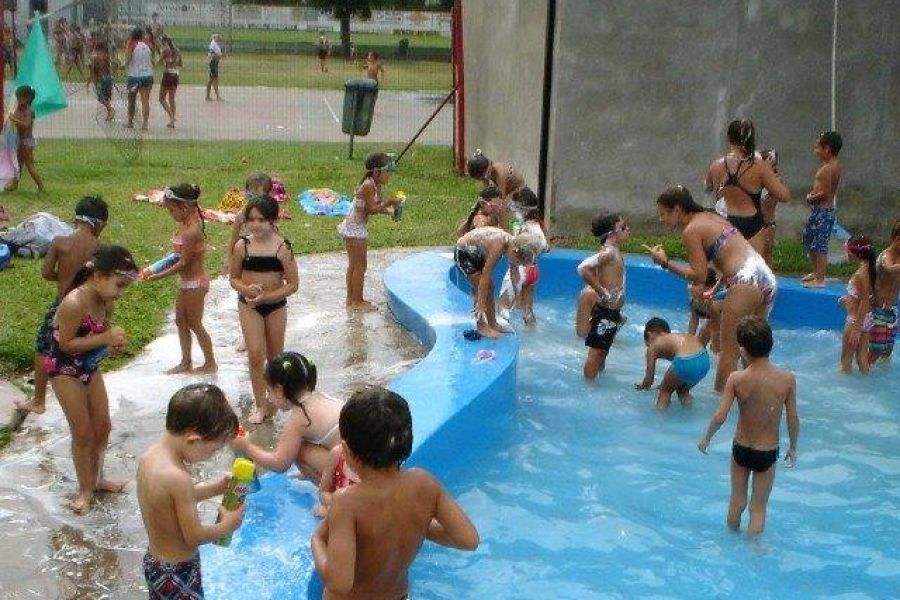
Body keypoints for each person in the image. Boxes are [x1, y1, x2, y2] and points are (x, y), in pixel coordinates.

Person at [311, 387, 479, 598]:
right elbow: (468, 540)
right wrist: (417, 522)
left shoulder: (347, 502)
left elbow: (340, 583)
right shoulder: (425, 483)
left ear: (346, 450)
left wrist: (316, 541)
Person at [646, 186, 778, 392]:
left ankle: (719, 404)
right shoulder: (710, 216)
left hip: (745, 279)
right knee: (753, 353)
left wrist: (664, 263)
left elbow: (699, 275)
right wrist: (717, 288)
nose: (662, 219)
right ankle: (761, 397)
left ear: (678, 210)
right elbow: (725, 256)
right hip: (765, 277)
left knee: (729, 353)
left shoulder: (691, 230)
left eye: (663, 214)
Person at [45, 245, 136, 513]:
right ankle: (84, 489)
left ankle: (97, 479)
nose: (120, 294)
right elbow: (67, 345)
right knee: (82, 432)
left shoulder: (105, 301)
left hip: (88, 367)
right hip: (64, 370)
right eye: (119, 285)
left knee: (103, 425)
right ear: (98, 276)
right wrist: (104, 339)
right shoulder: (74, 303)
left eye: (124, 288)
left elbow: (100, 334)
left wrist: (111, 344)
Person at [137, 383, 245, 600]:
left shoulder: (150, 458)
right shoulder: (178, 477)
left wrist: (213, 488)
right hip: (178, 572)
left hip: (155, 563)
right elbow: (194, 536)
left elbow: (171, 501)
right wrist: (228, 525)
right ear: (193, 439)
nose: (213, 455)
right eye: (214, 449)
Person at [697, 316, 799, 536]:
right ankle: (754, 549)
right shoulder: (787, 379)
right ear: (771, 344)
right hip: (767, 451)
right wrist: (793, 446)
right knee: (758, 507)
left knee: (737, 501)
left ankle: (730, 537)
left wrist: (706, 438)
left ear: (742, 350)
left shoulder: (736, 378)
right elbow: (793, 419)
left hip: (742, 448)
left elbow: (720, 415)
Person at [18, 196, 109, 416]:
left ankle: (39, 400)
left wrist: (64, 278)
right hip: (90, 309)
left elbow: (46, 272)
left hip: (62, 307)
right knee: (86, 353)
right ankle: (86, 396)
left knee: (44, 349)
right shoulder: (100, 248)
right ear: (98, 224)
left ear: (76, 219)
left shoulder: (60, 242)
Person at [230, 195, 299, 424]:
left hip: (275, 306)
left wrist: (267, 296)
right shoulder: (243, 246)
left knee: (275, 358)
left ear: (272, 220)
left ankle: (275, 397)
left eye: (261, 219)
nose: (255, 224)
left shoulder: (282, 247)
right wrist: (247, 289)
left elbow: (292, 284)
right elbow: (233, 279)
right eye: (251, 220)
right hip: (249, 305)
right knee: (255, 354)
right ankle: (260, 403)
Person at [230, 351, 343, 480]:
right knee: (299, 443)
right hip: (366, 463)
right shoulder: (322, 398)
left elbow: (280, 463)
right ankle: (319, 474)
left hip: (354, 473)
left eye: (269, 391)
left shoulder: (300, 417)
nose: (269, 398)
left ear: (279, 389)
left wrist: (247, 447)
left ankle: (331, 492)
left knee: (296, 451)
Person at [144, 184, 217, 375]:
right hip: (186, 283)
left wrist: (159, 275)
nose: (170, 213)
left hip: (195, 283)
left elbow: (183, 262)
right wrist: (158, 266)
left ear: (184, 208)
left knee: (195, 323)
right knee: (180, 321)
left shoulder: (191, 231)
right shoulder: (184, 227)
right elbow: (176, 256)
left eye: (171, 210)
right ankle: (186, 361)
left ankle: (210, 362)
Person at [704, 119, 790, 256]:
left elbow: (707, 189)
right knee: (752, 271)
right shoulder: (760, 166)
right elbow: (784, 196)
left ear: (728, 137)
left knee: (727, 271)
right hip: (753, 224)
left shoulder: (717, 165)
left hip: (727, 220)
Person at [337, 152, 402, 311]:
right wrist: (390, 202)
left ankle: (351, 299)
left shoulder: (374, 185)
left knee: (354, 265)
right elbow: (372, 209)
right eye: (388, 172)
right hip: (355, 229)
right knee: (360, 266)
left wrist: (391, 211)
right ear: (376, 172)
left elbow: (374, 206)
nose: (390, 175)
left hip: (353, 227)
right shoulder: (368, 185)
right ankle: (357, 301)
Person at [455, 226, 542, 339]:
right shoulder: (499, 245)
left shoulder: (515, 246)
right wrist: (481, 305)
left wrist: (517, 296)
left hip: (479, 251)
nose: (518, 264)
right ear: (515, 253)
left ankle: (493, 324)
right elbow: (485, 277)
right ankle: (481, 326)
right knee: (482, 288)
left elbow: (515, 276)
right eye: (518, 262)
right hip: (464, 252)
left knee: (489, 288)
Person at [575, 212, 629, 379]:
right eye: (623, 227)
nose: (628, 229)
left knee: (603, 352)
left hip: (612, 313)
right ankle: (588, 387)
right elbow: (583, 268)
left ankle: (597, 380)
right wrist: (601, 291)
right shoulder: (609, 253)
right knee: (596, 354)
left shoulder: (615, 251)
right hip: (605, 311)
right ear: (612, 233)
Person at [635, 317, 710, 410]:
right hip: (704, 360)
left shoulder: (653, 346)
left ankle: (659, 419)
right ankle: (689, 414)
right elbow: (679, 369)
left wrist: (642, 387)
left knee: (665, 392)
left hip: (686, 362)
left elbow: (649, 380)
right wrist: (666, 383)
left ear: (649, 335)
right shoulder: (678, 337)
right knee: (683, 391)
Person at [499, 188, 548, 325]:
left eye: (515, 207)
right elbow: (545, 247)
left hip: (520, 270)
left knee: (503, 307)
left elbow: (514, 249)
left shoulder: (526, 229)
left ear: (523, 209)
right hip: (534, 271)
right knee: (527, 310)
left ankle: (503, 339)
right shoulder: (538, 225)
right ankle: (532, 332)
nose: (513, 211)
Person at [801, 131, 843, 288]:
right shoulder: (833, 166)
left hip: (823, 212)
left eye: (818, 147)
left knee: (819, 245)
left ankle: (820, 279)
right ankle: (817, 271)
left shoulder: (828, 169)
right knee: (808, 239)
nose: (815, 151)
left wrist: (810, 197)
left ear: (827, 149)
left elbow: (824, 193)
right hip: (820, 211)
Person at [223, 172, 274, 275]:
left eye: (258, 196)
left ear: (267, 197)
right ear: (245, 194)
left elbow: (275, 240)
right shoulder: (241, 216)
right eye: (250, 195)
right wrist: (228, 260)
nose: (253, 200)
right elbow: (234, 240)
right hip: (245, 259)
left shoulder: (269, 217)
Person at [839, 236, 876, 374]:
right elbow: (865, 297)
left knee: (845, 360)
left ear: (853, 253)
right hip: (867, 319)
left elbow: (864, 301)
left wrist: (856, 329)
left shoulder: (860, 274)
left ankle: (844, 392)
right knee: (861, 358)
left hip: (856, 320)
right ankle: (867, 384)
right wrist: (848, 300)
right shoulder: (870, 268)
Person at [4, 85, 46, 193]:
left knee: (29, 164)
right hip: (20, 140)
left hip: (27, 142)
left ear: (27, 98)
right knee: (18, 164)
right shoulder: (18, 109)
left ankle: (41, 186)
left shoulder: (29, 111)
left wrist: (14, 119)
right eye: (17, 98)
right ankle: (15, 184)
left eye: (20, 98)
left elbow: (26, 125)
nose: (18, 100)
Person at [870, 219, 900, 361]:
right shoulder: (885, 256)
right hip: (879, 311)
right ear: (897, 239)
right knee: (875, 352)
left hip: (892, 310)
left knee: (887, 353)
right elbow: (889, 268)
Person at [314, 444, 359, 518]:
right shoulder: (337, 453)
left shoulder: (378, 470)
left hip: (360, 515)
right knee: (321, 511)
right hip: (339, 506)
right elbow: (322, 492)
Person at [125, 27, 154, 131]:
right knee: (145, 100)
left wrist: (122, 66)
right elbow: (152, 60)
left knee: (131, 100)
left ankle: (130, 122)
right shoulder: (148, 45)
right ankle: (145, 123)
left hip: (134, 76)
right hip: (147, 75)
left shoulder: (131, 44)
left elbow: (128, 59)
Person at [686, 267, 722, 350]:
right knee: (699, 344)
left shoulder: (713, 302)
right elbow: (693, 321)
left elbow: (720, 324)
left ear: (708, 288)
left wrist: (715, 338)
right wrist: (688, 339)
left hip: (724, 319)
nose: (689, 287)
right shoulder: (694, 301)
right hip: (714, 320)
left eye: (694, 284)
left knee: (703, 338)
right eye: (689, 283)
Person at [758, 149, 782, 267]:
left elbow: (768, 201)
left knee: (766, 254)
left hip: (767, 223)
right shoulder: (758, 179)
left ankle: (769, 281)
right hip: (758, 223)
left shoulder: (775, 180)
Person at [87, 39, 114, 122]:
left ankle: (110, 110)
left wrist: (88, 82)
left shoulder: (95, 57)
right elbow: (112, 67)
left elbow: (93, 71)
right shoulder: (107, 56)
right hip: (108, 78)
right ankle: (109, 114)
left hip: (100, 79)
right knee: (107, 96)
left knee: (101, 98)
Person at [158, 36, 182, 129]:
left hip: (167, 74)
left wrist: (163, 61)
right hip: (175, 74)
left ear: (164, 42)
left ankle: (171, 116)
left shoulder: (165, 50)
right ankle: (172, 121)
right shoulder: (176, 50)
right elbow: (180, 63)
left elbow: (159, 62)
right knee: (172, 99)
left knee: (161, 98)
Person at [206, 34, 223, 101]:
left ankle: (213, 96)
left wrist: (220, 56)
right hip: (213, 63)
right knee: (213, 80)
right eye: (218, 38)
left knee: (213, 80)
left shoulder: (216, 44)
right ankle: (214, 96)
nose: (219, 39)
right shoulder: (212, 44)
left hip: (215, 63)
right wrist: (219, 56)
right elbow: (211, 54)